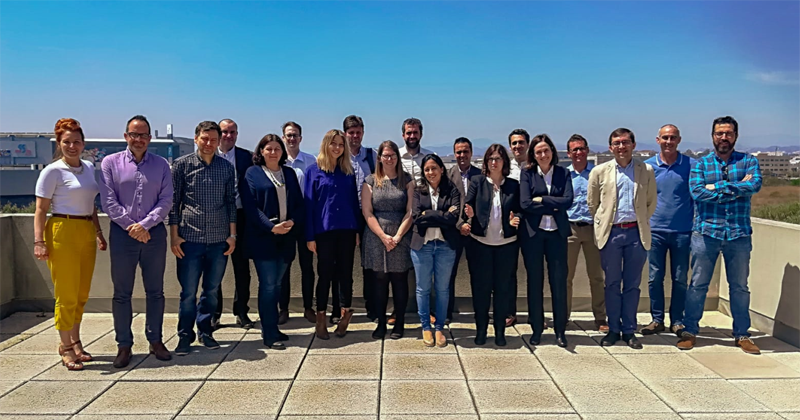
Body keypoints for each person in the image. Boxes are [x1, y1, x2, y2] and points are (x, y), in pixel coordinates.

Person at [678, 116, 763, 354]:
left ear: (735, 135)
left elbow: (754, 185)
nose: (723, 137)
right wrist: (736, 188)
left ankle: (742, 334)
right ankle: (690, 331)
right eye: (719, 133)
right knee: (697, 285)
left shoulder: (749, 161)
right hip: (706, 233)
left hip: (738, 234)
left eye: (728, 133)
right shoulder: (701, 164)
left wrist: (717, 187)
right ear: (712, 136)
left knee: (739, 287)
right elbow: (696, 192)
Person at [34, 118, 107, 371]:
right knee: (65, 294)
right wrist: (39, 241)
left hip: (86, 229)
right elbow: (41, 210)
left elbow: (92, 205)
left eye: (76, 141)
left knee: (81, 293)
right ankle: (65, 346)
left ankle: (76, 341)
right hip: (61, 230)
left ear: (83, 143)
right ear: (59, 143)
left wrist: (98, 232)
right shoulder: (52, 171)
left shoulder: (88, 167)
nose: (72, 146)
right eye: (67, 142)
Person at [100, 115, 173, 368]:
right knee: (122, 293)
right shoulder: (110, 163)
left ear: (150, 138)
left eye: (143, 135)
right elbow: (108, 201)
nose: (138, 139)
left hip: (153, 234)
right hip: (123, 235)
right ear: (125, 136)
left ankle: (155, 340)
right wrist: (132, 227)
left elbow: (166, 200)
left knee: (156, 291)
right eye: (134, 134)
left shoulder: (162, 164)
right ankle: (124, 345)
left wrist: (145, 225)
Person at [169, 121, 237, 356]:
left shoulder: (226, 168)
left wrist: (232, 235)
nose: (209, 144)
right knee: (188, 292)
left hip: (219, 239)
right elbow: (174, 204)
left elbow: (230, 204)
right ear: (196, 138)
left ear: (219, 142)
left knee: (211, 289)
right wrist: (174, 237)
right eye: (204, 139)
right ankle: (184, 336)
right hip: (190, 238)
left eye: (213, 140)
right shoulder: (181, 166)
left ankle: (205, 331)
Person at [588, 128, 656, 350]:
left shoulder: (645, 170)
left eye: (625, 142)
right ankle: (613, 329)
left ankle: (629, 330)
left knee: (632, 284)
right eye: (616, 143)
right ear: (610, 147)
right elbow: (593, 204)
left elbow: (650, 202)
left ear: (633, 145)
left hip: (636, 233)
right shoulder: (600, 171)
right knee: (612, 283)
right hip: (612, 233)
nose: (621, 146)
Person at [241, 134, 305, 350]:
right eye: (268, 148)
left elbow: (298, 202)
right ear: (261, 151)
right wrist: (271, 227)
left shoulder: (288, 173)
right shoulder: (252, 173)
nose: (273, 152)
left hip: (286, 237)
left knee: (277, 284)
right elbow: (251, 208)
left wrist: (293, 222)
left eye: (277, 148)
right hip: (263, 239)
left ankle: (274, 328)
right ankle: (268, 333)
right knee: (268, 286)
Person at [305, 129, 361, 339]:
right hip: (324, 231)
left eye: (341, 144)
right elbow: (309, 206)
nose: (337, 148)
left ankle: (345, 315)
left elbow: (354, 204)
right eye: (333, 144)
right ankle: (321, 319)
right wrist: (310, 236)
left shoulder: (348, 171)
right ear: (326, 145)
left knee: (346, 274)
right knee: (325, 275)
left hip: (346, 229)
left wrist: (356, 231)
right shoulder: (314, 171)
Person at [519, 134, 574, 347]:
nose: (543, 155)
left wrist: (542, 199)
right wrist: (554, 204)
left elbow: (567, 201)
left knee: (558, 283)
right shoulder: (527, 174)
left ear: (552, 151)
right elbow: (525, 203)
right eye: (538, 152)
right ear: (533, 154)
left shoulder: (563, 173)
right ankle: (537, 329)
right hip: (534, 234)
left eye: (546, 150)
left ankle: (560, 330)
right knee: (535, 282)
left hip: (557, 234)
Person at [463, 144, 521, 346]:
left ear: (504, 161)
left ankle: (499, 332)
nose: (494, 162)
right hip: (481, 244)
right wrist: (467, 213)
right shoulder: (477, 182)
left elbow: (520, 209)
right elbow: (466, 207)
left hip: (507, 245)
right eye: (490, 159)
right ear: (486, 162)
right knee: (481, 290)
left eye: (498, 158)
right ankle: (481, 331)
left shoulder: (513, 185)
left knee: (502, 289)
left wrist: (517, 219)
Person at [641, 125, 694, 335]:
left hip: (683, 231)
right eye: (665, 138)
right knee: (655, 277)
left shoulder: (691, 165)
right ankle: (656, 319)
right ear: (657, 140)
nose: (669, 141)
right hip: (655, 231)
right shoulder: (646, 167)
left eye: (672, 138)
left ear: (679, 140)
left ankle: (677, 320)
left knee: (680, 278)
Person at [362, 140, 414, 339]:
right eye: (386, 155)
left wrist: (398, 236)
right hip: (377, 236)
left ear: (397, 157)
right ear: (380, 158)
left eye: (393, 155)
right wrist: (384, 237)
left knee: (400, 281)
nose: (389, 159)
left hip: (401, 234)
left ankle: (399, 323)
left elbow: (410, 211)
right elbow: (367, 212)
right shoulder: (370, 181)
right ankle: (381, 323)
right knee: (379, 282)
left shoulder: (406, 180)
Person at [411, 154, 460, 347]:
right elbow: (416, 217)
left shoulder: (452, 190)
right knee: (422, 289)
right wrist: (442, 214)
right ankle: (425, 327)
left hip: (445, 245)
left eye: (434, 168)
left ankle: (439, 327)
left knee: (442, 289)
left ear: (441, 169)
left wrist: (429, 214)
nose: (431, 172)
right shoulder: (418, 190)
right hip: (422, 245)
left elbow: (453, 219)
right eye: (427, 169)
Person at [214, 118, 255, 330]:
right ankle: (215, 314)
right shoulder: (209, 155)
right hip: (216, 219)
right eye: (224, 132)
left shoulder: (247, 157)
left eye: (232, 132)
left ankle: (242, 312)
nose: (228, 135)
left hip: (242, 218)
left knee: (242, 269)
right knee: (215, 269)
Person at [565, 135, 608, 332]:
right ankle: (563, 317)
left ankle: (600, 318)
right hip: (570, 228)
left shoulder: (598, 173)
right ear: (569, 153)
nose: (579, 152)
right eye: (574, 149)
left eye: (581, 148)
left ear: (587, 150)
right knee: (566, 276)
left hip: (593, 229)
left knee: (597, 276)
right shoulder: (564, 175)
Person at [281, 121, 319, 324]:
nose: (292, 139)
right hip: (285, 221)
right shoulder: (278, 161)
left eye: (295, 135)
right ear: (284, 138)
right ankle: (283, 308)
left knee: (307, 267)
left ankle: (308, 307)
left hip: (305, 221)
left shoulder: (311, 161)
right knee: (285, 266)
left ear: (300, 138)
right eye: (289, 135)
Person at [344, 115, 378, 322]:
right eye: (351, 132)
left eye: (358, 132)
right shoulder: (338, 155)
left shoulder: (371, 156)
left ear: (363, 133)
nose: (355, 136)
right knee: (344, 264)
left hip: (369, 215)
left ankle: (372, 307)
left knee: (370, 263)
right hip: (346, 216)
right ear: (345, 134)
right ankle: (342, 308)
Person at [446, 137, 481, 323]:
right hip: (454, 232)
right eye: (458, 152)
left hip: (476, 233)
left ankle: (480, 312)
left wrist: (472, 223)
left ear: (471, 152)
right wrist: (460, 224)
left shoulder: (480, 174)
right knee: (448, 275)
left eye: (465, 151)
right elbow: (448, 205)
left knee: (478, 275)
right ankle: (446, 313)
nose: (462, 155)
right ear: (454, 153)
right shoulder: (448, 175)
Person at [506, 129, 530, 326]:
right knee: (509, 271)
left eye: (521, 142)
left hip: (533, 224)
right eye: (514, 143)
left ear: (527, 144)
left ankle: (535, 313)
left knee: (534, 271)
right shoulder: (507, 168)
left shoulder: (536, 166)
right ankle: (509, 312)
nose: (517, 146)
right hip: (511, 224)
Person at [399, 118, 434, 183]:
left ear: (421, 135)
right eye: (409, 133)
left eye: (415, 132)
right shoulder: (395, 157)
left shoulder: (431, 156)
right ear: (403, 136)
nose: (412, 136)